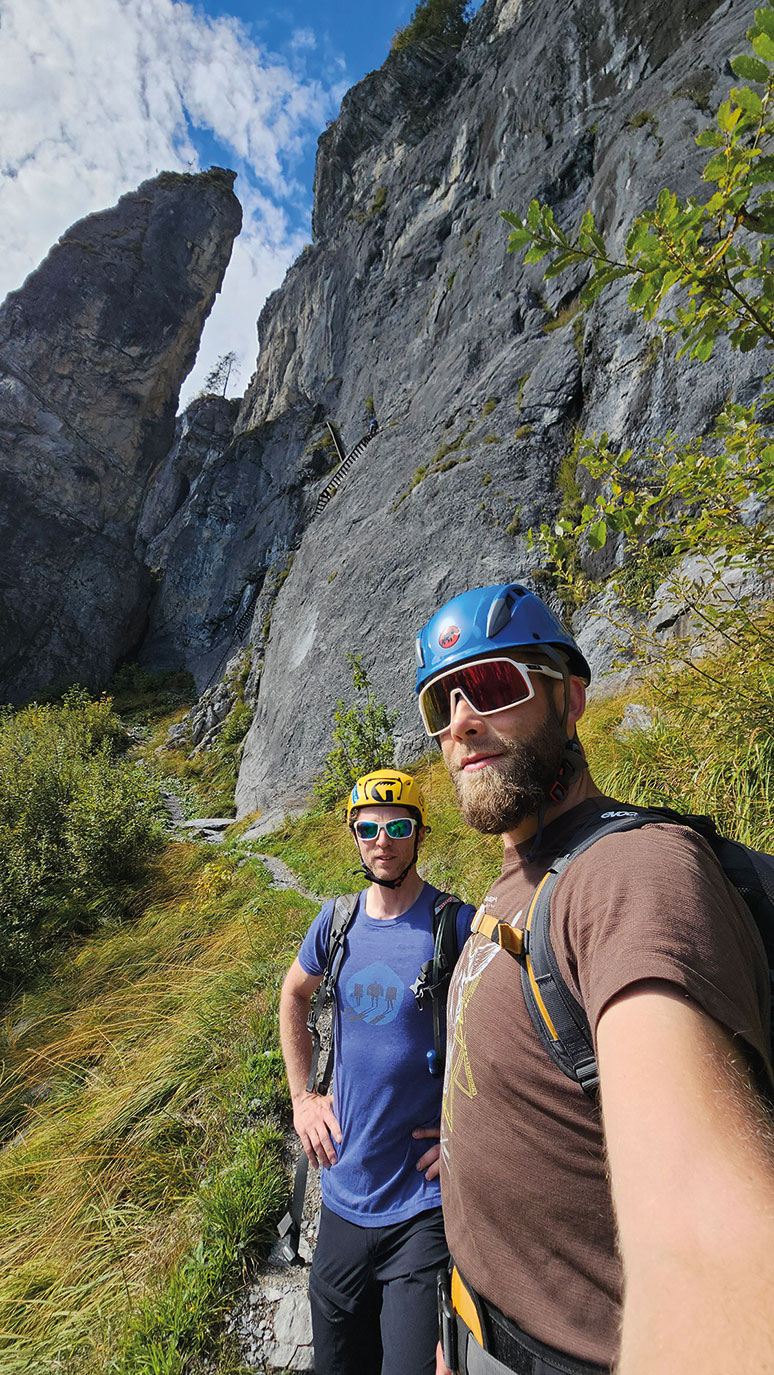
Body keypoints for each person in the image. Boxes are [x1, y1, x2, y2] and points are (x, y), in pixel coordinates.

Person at [412, 581, 774, 1375]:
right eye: (441, 701)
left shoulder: (628, 874)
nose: (464, 718)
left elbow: (705, 1241)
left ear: (569, 698)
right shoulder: (518, 880)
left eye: (496, 683)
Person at [279, 768, 475, 1375]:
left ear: (419, 833)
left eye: (398, 826)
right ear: (354, 835)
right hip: (341, 1194)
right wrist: (302, 1099)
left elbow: (507, 1038)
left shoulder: (453, 925)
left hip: (421, 1208)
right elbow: (293, 995)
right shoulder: (336, 922)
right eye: (368, 829)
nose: (382, 841)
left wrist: (473, 1134)